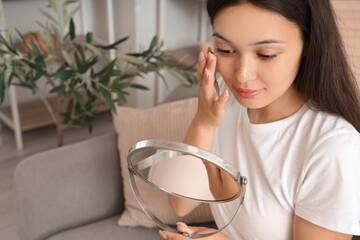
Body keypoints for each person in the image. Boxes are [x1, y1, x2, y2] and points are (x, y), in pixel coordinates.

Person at [159, 0, 360, 239]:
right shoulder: (227, 99)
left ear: (308, 44)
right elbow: (180, 203)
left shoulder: (333, 146)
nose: (242, 76)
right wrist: (205, 120)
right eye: (225, 50)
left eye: (266, 54)